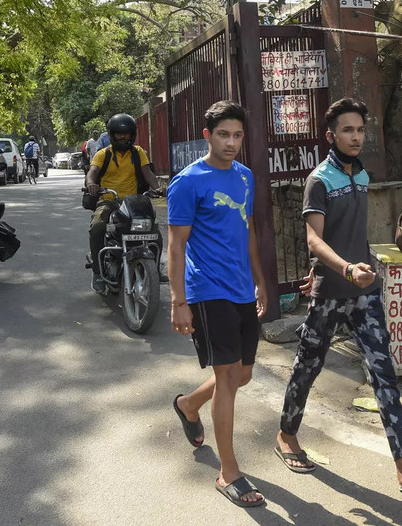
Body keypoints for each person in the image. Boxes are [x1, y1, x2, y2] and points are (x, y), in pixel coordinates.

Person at [275, 98, 402, 493]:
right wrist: (337, 269)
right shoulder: (319, 180)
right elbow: (314, 238)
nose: (355, 137)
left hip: (365, 292)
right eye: (347, 130)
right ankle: (286, 436)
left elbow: (346, 234)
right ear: (331, 135)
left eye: (360, 130)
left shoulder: (361, 177)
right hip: (333, 292)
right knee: (308, 365)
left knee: (383, 375)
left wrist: (352, 269)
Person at [167, 100, 270, 509]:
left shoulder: (245, 177)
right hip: (208, 291)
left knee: (243, 375)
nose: (231, 143)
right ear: (207, 136)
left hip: (242, 287)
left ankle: (188, 404)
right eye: (223, 135)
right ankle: (229, 471)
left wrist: (260, 280)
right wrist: (179, 301)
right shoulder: (188, 182)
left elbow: (245, 231)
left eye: (237, 135)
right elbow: (176, 245)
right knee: (228, 378)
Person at [85, 114, 159, 292]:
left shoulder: (138, 152)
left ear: (132, 134)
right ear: (112, 135)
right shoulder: (104, 154)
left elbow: (147, 172)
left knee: (155, 231)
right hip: (108, 200)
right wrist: (91, 185)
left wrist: (157, 188)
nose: (122, 137)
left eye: (126, 133)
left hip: (133, 202)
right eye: (118, 134)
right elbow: (92, 172)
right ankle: (97, 271)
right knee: (97, 227)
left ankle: (155, 270)